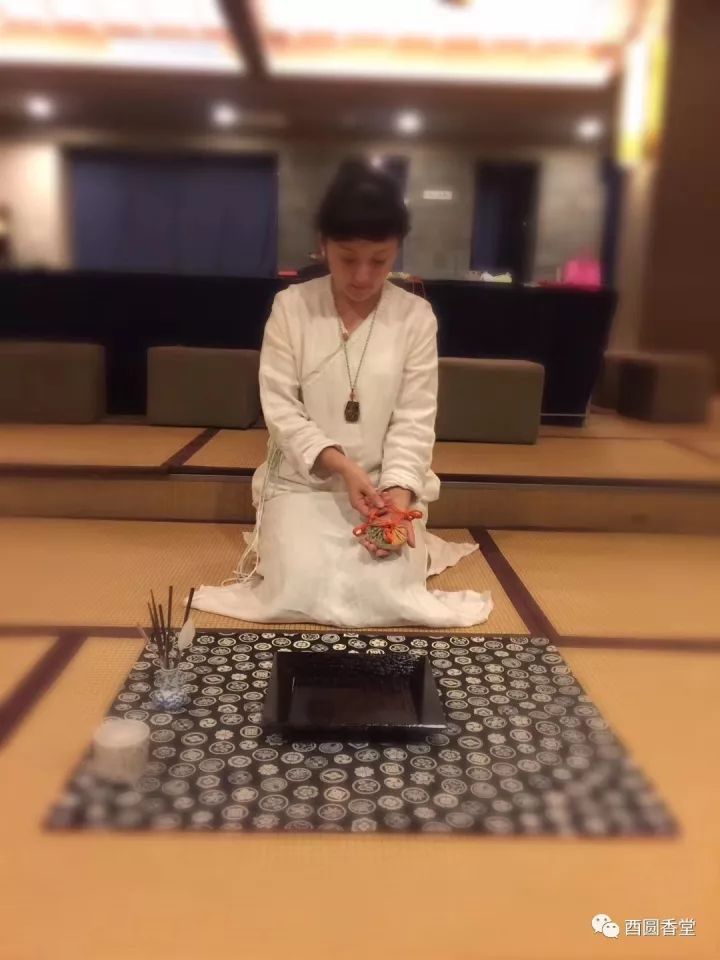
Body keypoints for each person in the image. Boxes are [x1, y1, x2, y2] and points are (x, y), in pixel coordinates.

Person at [191, 161, 492, 628]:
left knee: (386, 591)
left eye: (380, 260)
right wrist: (344, 468)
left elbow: (415, 420)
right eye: (348, 259)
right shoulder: (291, 307)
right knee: (299, 587)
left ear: (397, 250)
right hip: (305, 483)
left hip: (385, 485)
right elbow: (280, 409)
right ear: (324, 244)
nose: (363, 276)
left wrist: (396, 501)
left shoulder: (415, 318)